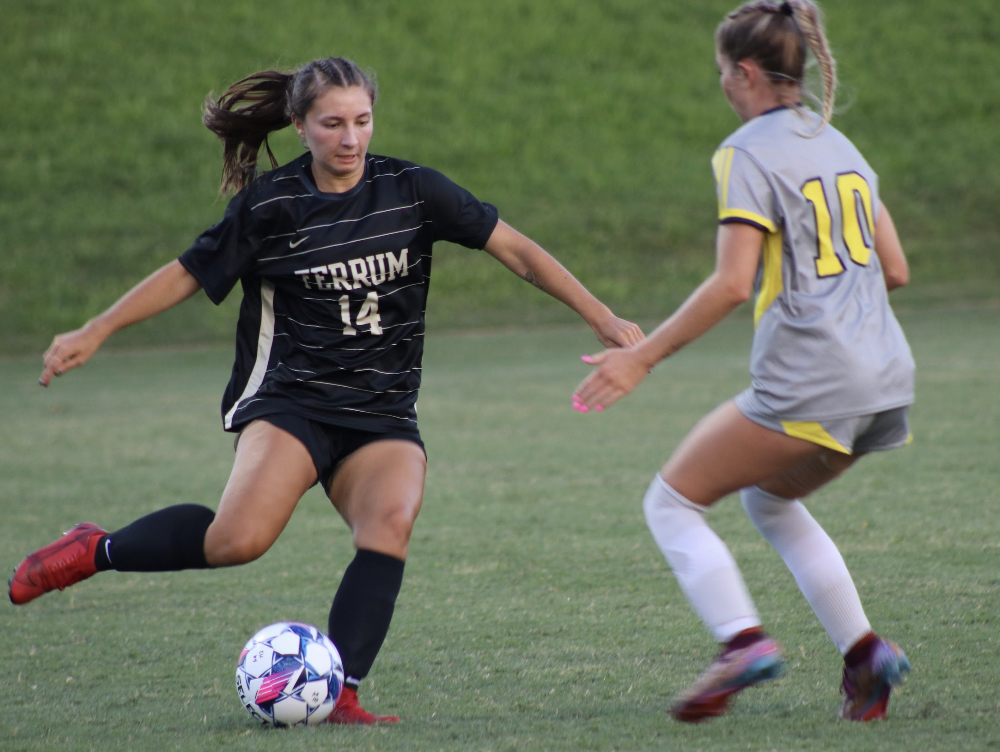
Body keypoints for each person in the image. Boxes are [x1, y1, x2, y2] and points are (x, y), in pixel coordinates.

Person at [9, 56, 644, 724]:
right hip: (291, 400)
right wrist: (98, 328)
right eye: (332, 123)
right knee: (238, 542)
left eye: (362, 121)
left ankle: (340, 690)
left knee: (389, 523)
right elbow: (188, 273)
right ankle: (95, 548)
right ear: (300, 125)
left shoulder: (413, 189)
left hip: (382, 410)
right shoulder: (271, 205)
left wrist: (600, 315)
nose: (350, 138)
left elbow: (516, 249)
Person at [573, 0, 913, 724]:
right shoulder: (841, 143)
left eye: (723, 71)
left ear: (748, 71)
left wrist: (643, 359)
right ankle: (866, 656)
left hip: (814, 378)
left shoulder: (747, 151)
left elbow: (730, 283)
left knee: (671, 502)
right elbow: (897, 268)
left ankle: (742, 643)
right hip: (885, 379)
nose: (723, 84)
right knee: (770, 500)